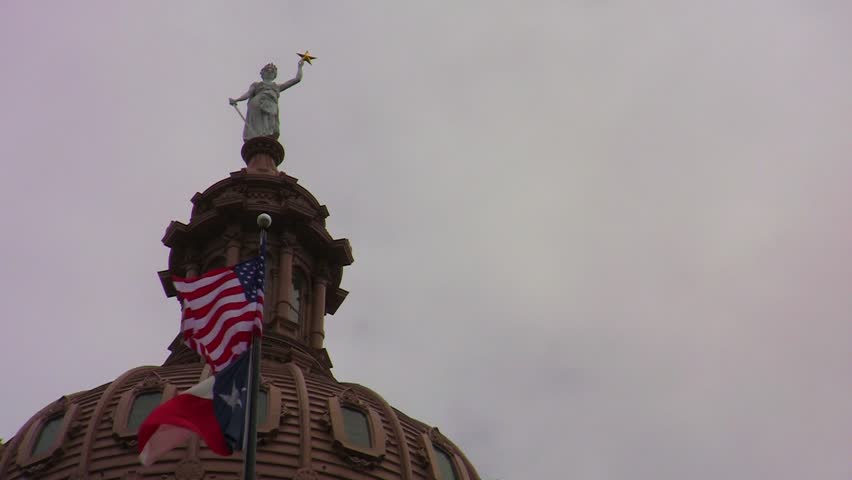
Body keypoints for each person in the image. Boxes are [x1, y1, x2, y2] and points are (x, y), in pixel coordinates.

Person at [229, 60, 304, 141]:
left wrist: (300, 67)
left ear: (274, 75)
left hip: (271, 106)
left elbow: (297, 79)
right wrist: (237, 100)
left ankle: (266, 138)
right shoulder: (256, 85)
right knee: (258, 126)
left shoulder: (276, 87)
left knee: (270, 126)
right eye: (267, 70)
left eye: (272, 71)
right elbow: (248, 94)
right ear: (262, 73)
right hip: (257, 106)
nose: (269, 71)